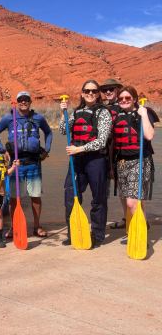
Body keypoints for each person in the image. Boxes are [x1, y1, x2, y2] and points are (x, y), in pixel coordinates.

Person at [59, 79, 112, 248]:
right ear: (82, 93)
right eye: (87, 91)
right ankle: (74, 232)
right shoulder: (75, 112)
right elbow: (63, 130)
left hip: (95, 160)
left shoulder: (103, 113)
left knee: (98, 199)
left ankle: (97, 234)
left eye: (94, 91)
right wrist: (63, 113)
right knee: (70, 196)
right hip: (77, 161)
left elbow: (102, 141)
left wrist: (79, 149)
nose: (90, 94)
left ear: (98, 94)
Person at [0, 91, 52, 239]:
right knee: (14, 198)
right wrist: (2, 150)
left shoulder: (38, 118)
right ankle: (14, 227)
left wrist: (47, 149)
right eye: (20, 99)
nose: (23, 102)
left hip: (34, 162)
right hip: (16, 163)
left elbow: (49, 132)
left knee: (35, 196)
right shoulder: (9, 118)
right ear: (17, 101)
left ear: (30, 101)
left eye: (26, 99)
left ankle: (37, 227)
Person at [112, 86, 156, 226]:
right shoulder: (116, 115)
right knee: (129, 200)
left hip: (140, 161)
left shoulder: (144, 112)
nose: (124, 100)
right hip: (122, 162)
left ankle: (140, 236)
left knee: (132, 202)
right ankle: (139, 229)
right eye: (121, 98)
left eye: (127, 98)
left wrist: (143, 115)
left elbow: (149, 135)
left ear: (135, 99)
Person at [99, 78, 128, 230]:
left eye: (111, 89)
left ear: (118, 89)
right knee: (104, 189)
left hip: (121, 153)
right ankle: (101, 223)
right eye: (105, 90)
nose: (108, 92)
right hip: (105, 154)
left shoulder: (125, 105)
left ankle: (133, 218)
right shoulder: (102, 108)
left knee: (126, 189)